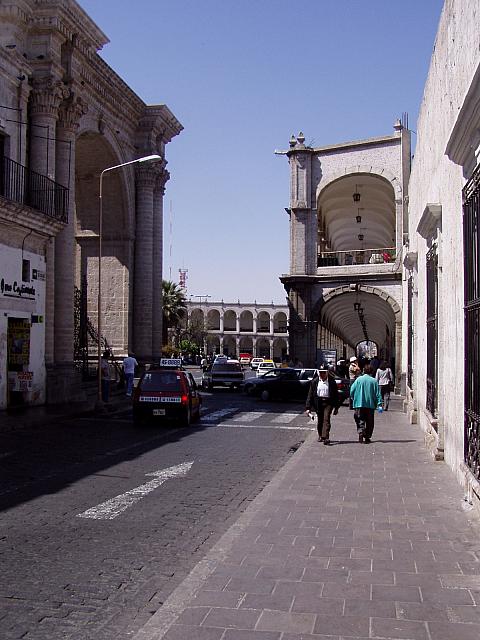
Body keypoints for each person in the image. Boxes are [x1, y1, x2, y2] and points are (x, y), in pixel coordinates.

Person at [305, 365, 340, 446]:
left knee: (326, 418)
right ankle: (320, 435)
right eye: (320, 373)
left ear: (327, 373)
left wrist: (336, 407)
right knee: (320, 420)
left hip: (328, 402)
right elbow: (310, 395)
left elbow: (336, 395)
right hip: (318, 403)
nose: (322, 374)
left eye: (324, 373)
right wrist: (308, 408)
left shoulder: (331, 381)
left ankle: (326, 437)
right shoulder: (315, 381)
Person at [349, 364, 383, 444]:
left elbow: (352, 390)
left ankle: (361, 431)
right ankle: (367, 436)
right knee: (370, 422)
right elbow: (378, 394)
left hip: (359, 403)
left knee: (360, 419)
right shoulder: (374, 381)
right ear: (372, 372)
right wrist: (380, 404)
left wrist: (353, 398)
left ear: (364, 371)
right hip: (370, 404)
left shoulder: (358, 379)